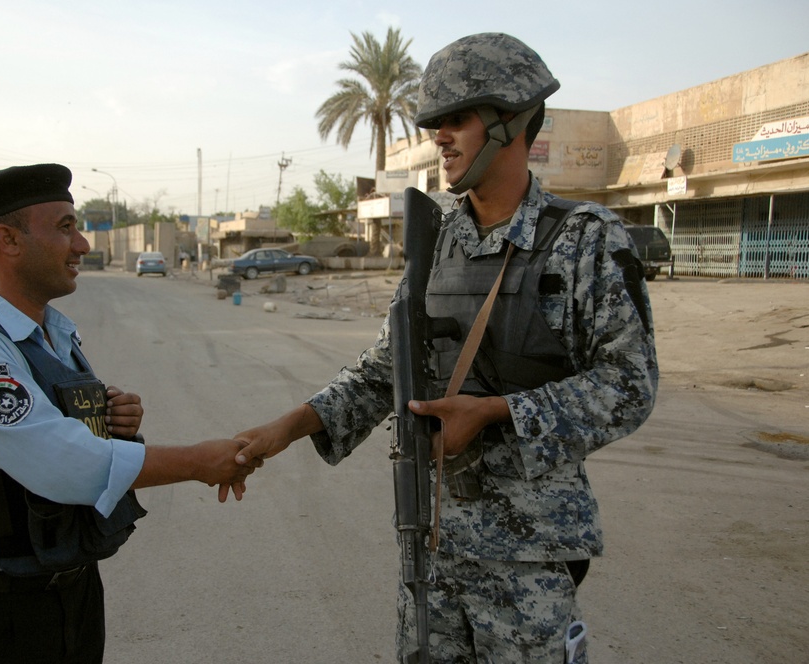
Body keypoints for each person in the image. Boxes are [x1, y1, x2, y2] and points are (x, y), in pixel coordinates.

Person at [233, 33, 658, 663]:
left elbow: (630, 383)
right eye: (435, 123)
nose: (440, 136)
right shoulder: (436, 243)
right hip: (430, 544)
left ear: (509, 121)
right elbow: (386, 369)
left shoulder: (586, 240)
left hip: (529, 555)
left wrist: (497, 414)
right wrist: (288, 427)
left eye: (457, 119)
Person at [0, 164, 258, 663]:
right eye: (66, 227)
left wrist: (113, 421)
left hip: (68, 591)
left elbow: (68, 431)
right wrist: (198, 463)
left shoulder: (51, 333)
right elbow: (65, 465)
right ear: (8, 240)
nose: (83, 246)